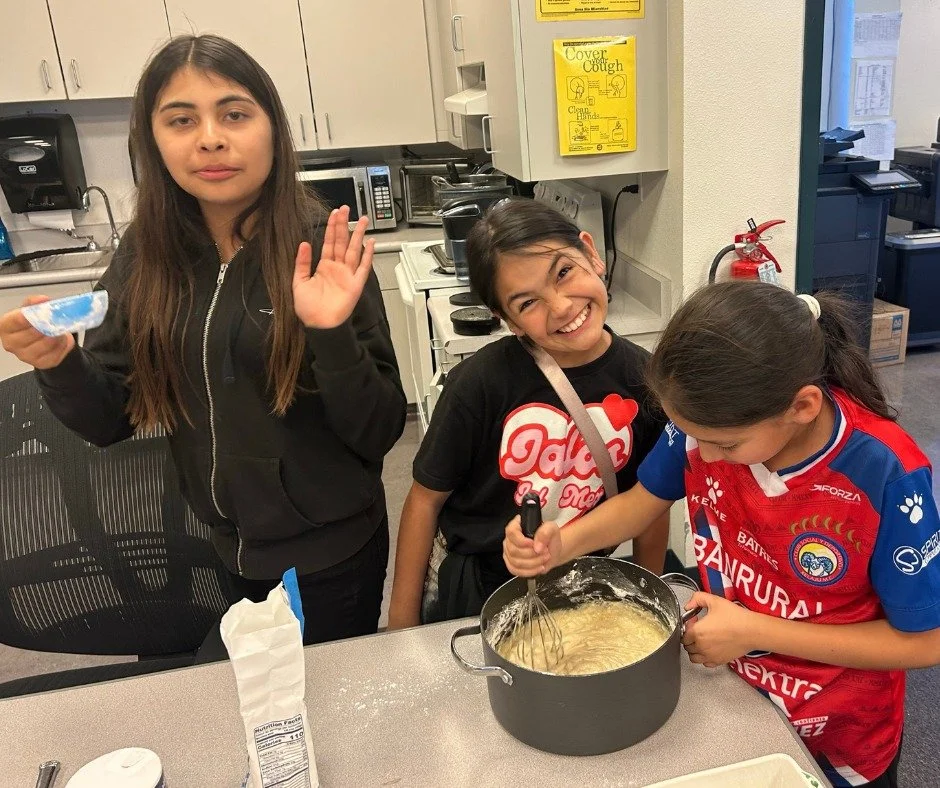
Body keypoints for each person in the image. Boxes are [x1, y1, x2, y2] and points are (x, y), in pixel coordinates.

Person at [0, 35, 407, 645]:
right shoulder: (147, 254)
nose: (210, 138)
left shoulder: (323, 247)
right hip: (218, 547)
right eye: (182, 120)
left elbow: (379, 431)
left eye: (234, 114)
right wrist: (60, 363)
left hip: (328, 555)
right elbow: (109, 418)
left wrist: (331, 334)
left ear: (272, 129)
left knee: (328, 713)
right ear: (154, 140)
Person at [505, 282, 940, 788]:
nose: (704, 460)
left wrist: (755, 632)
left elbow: (926, 642)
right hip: (737, 698)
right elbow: (640, 503)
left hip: (841, 733)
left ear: (801, 407)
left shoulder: (884, 475)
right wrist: (564, 540)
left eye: (725, 445)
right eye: (694, 439)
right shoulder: (701, 429)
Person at [388, 199, 668, 628]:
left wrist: (650, 599)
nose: (560, 307)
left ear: (592, 254)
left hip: (586, 582)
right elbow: (424, 501)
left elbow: (651, 501)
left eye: (563, 272)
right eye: (527, 303)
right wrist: (400, 630)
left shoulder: (646, 381)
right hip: (479, 585)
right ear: (509, 321)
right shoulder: (479, 384)